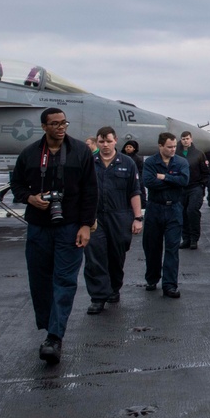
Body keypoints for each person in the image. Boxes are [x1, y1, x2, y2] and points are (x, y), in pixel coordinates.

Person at [12, 108, 98, 364]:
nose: (61, 128)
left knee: (65, 280)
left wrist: (86, 225)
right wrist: (29, 198)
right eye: (55, 124)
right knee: (40, 281)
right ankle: (49, 325)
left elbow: (91, 191)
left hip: (70, 227)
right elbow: (16, 185)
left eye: (64, 123)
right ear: (44, 126)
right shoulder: (29, 154)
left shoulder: (81, 152)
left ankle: (54, 336)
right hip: (38, 226)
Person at [83, 126, 142, 314]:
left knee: (117, 256)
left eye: (108, 141)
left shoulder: (127, 163)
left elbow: (134, 191)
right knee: (94, 257)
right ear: (97, 142)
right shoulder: (89, 163)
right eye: (101, 142)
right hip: (95, 217)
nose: (105, 145)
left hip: (120, 216)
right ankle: (98, 297)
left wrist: (138, 218)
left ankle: (114, 288)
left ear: (115, 140)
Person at [141, 132, 190, 299]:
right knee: (152, 247)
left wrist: (164, 177)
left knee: (172, 248)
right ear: (160, 146)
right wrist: (172, 180)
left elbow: (184, 181)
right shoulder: (150, 162)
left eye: (175, 146)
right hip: (155, 208)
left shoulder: (181, 162)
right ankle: (152, 278)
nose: (173, 149)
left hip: (174, 209)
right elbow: (148, 182)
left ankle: (169, 285)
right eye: (169, 147)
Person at [176, 131, 210, 250]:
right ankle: (186, 238)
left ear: (191, 139)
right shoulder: (176, 153)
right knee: (182, 213)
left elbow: (206, 172)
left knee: (192, 211)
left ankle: (194, 239)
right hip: (180, 187)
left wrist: (202, 186)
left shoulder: (199, 154)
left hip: (195, 187)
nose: (185, 141)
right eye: (183, 139)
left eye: (187, 138)